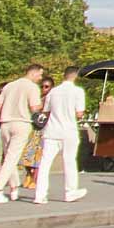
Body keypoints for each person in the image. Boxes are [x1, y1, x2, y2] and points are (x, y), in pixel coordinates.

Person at [0, 63, 45, 204]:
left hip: (5, 123)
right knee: (11, 158)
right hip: (21, 123)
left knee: (9, 157)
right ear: (33, 73)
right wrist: (43, 103)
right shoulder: (32, 87)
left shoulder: (9, 86)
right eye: (40, 74)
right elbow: (34, 108)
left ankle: (14, 188)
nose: (40, 78)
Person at [34, 68, 87, 203]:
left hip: (51, 130)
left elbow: (46, 111)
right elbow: (79, 113)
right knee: (69, 161)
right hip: (69, 131)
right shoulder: (77, 91)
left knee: (45, 163)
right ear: (75, 76)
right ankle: (70, 192)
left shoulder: (53, 92)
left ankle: (40, 195)